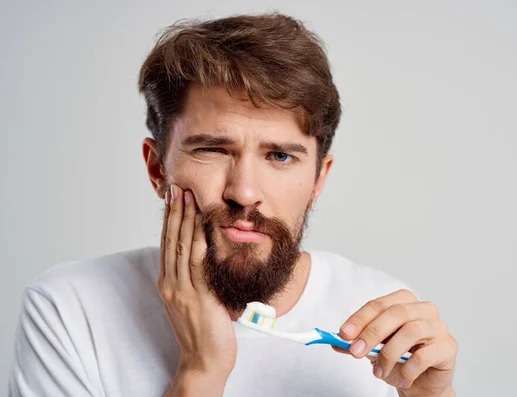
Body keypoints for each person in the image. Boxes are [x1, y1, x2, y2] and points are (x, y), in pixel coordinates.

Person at [8, 13, 457, 397]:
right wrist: (200, 372)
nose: (243, 192)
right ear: (157, 167)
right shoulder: (69, 310)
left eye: (280, 156)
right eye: (212, 150)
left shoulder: (383, 322)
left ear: (319, 178)